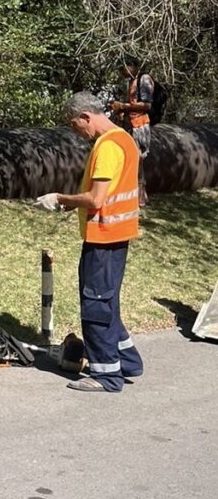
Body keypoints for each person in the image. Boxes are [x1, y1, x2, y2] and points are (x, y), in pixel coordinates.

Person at [34, 92, 144, 392]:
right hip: (117, 235)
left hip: (104, 237)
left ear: (86, 116)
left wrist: (60, 198)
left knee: (96, 305)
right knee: (107, 301)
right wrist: (73, 205)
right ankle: (127, 360)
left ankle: (107, 374)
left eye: (74, 125)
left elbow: (97, 198)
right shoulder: (125, 140)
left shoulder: (107, 147)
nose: (75, 131)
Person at [110, 55, 153, 207]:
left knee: (138, 160)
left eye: (123, 69)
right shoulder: (131, 82)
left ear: (131, 66)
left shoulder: (144, 79)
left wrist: (123, 106)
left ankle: (140, 198)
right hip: (131, 124)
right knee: (133, 160)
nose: (122, 73)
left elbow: (147, 105)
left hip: (140, 125)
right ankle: (140, 197)